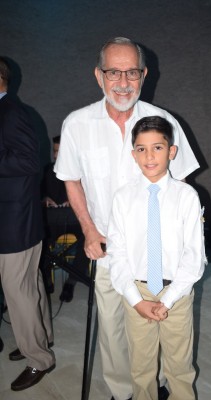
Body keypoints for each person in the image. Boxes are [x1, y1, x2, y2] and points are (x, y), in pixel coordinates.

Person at [54, 37, 200, 400]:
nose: (123, 81)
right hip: (107, 247)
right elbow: (70, 179)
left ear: (144, 75)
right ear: (98, 76)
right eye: (113, 72)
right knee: (114, 326)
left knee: (167, 321)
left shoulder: (163, 121)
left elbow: (179, 182)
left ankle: (162, 384)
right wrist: (88, 231)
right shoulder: (76, 124)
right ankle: (125, 393)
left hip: (160, 249)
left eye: (131, 72)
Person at [108, 116, 206, 400]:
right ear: (133, 154)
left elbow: (193, 257)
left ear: (171, 151)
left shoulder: (186, 196)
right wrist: (136, 301)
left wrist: (167, 299)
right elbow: (117, 252)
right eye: (141, 149)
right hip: (136, 291)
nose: (149, 156)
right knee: (141, 367)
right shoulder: (123, 198)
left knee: (179, 366)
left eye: (158, 148)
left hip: (176, 292)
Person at [0, 57, 55, 391]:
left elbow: (28, 161)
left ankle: (39, 359)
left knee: (17, 290)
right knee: (29, 286)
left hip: (14, 221)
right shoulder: (11, 112)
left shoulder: (11, 113)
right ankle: (39, 337)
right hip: (18, 217)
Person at [41, 134, 88, 302]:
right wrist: (45, 199)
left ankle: (72, 281)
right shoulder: (48, 170)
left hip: (75, 219)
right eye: (54, 152)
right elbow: (39, 193)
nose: (55, 156)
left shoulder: (82, 172)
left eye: (59, 152)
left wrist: (75, 200)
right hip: (52, 219)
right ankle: (46, 278)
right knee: (39, 238)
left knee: (88, 238)